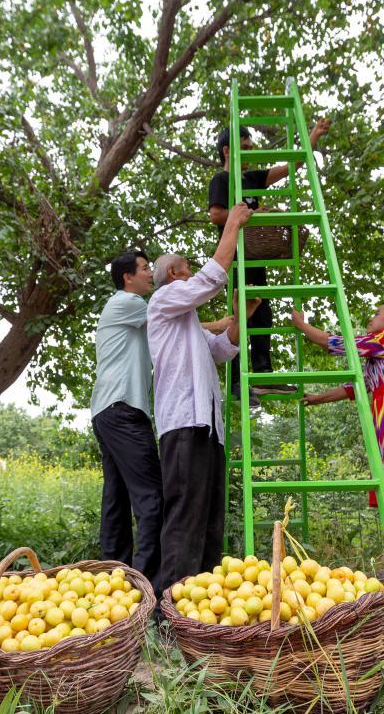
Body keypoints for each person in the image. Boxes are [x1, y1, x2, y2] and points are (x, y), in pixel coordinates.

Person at [290, 302, 384, 596]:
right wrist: (318, 398)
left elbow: (335, 343)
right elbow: (354, 388)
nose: (370, 318)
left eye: (377, 314)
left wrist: (301, 325)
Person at [148, 202, 254, 594]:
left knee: (210, 518)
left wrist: (241, 316)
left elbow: (222, 350)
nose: (191, 271)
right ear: (174, 274)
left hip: (207, 427)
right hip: (183, 425)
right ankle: (170, 608)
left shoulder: (186, 321)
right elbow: (211, 278)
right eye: (186, 266)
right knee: (184, 515)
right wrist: (233, 226)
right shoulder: (162, 300)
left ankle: (199, 606)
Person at [208, 119, 331, 406]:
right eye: (245, 148)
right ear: (228, 151)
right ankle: (238, 382)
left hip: (255, 255)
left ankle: (263, 375)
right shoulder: (222, 181)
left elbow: (291, 166)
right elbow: (216, 215)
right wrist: (246, 214)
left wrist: (312, 136)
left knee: (263, 315)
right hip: (235, 258)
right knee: (241, 317)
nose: (251, 153)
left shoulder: (252, 179)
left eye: (252, 147)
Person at [89, 250, 164, 594]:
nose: (151, 273)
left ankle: (114, 580)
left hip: (107, 410)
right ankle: (146, 587)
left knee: (116, 497)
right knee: (151, 498)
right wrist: (225, 324)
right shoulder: (126, 302)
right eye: (146, 268)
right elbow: (171, 316)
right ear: (127, 278)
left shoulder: (127, 309)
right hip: (123, 410)